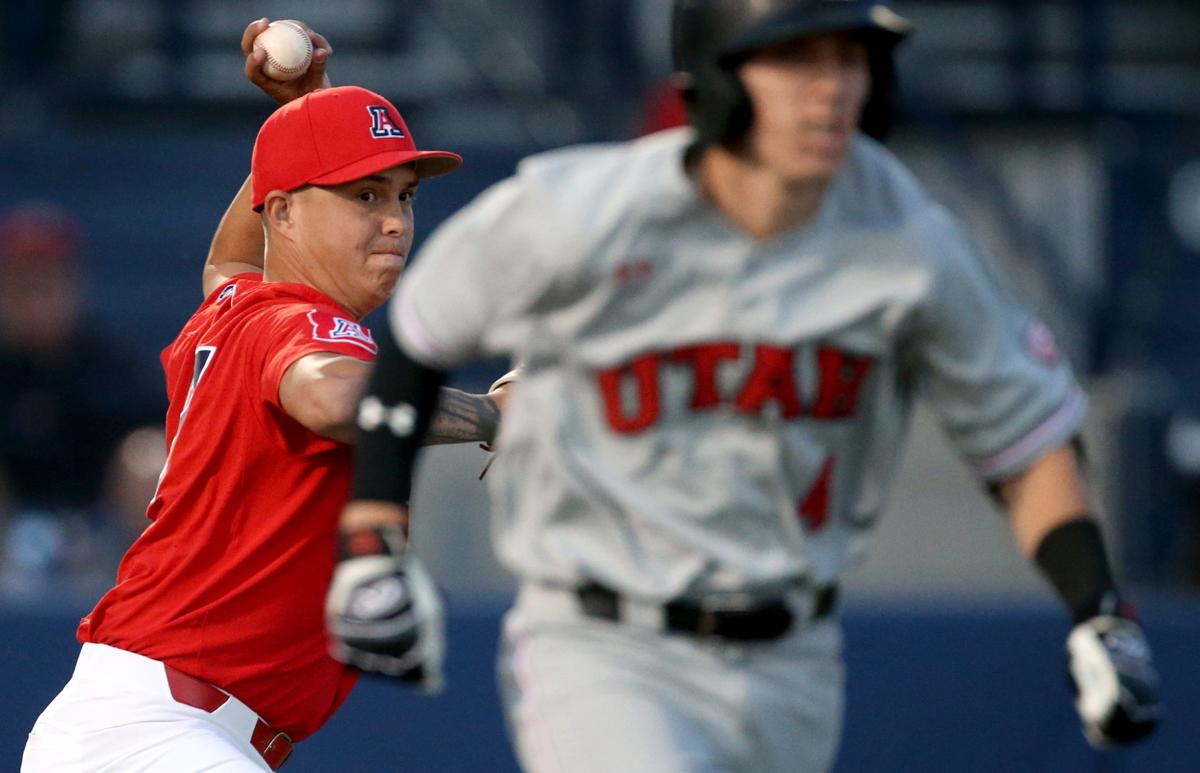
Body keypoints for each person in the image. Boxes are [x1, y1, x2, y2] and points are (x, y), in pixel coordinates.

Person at [327, 1, 1162, 771]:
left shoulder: (908, 240)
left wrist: (1100, 611)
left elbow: (1023, 440)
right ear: (719, 78)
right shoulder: (586, 209)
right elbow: (420, 334)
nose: (831, 88)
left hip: (794, 659)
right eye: (795, 58)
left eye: (849, 58)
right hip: (602, 642)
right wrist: (372, 542)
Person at [23, 19, 503, 772]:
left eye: (405, 197)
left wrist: (302, 115)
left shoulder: (236, 304)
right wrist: (496, 416)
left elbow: (229, 254)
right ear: (282, 211)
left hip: (139, 722)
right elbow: (338, 399)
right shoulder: (308, 322)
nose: (394, 222)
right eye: (365, 193)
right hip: (164, 733)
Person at [0, 201, 164, 598]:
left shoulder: (107, 360)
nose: (37, 300)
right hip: (13, 532)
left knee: (149, 454)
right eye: (25, 285)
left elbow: (158, 432)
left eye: (48, 283)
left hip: (100, 531)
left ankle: (145, 592)